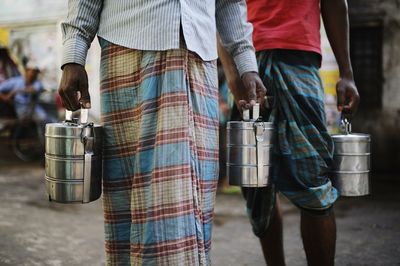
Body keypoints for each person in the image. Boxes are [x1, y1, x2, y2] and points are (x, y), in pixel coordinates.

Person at [58, 1, 266, 265]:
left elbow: (230, 4)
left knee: (195, 196)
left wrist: (247, 64)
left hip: (199, 63)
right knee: (141, 194)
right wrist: (73, 57)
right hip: (132, 52)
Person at [218, 0, 360, 265]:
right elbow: (220, 6)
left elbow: (334, 3)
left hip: (299, 61)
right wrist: (232, 75)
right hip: (244, 56)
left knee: (313, 176)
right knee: (257, 182)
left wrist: (347, 73)